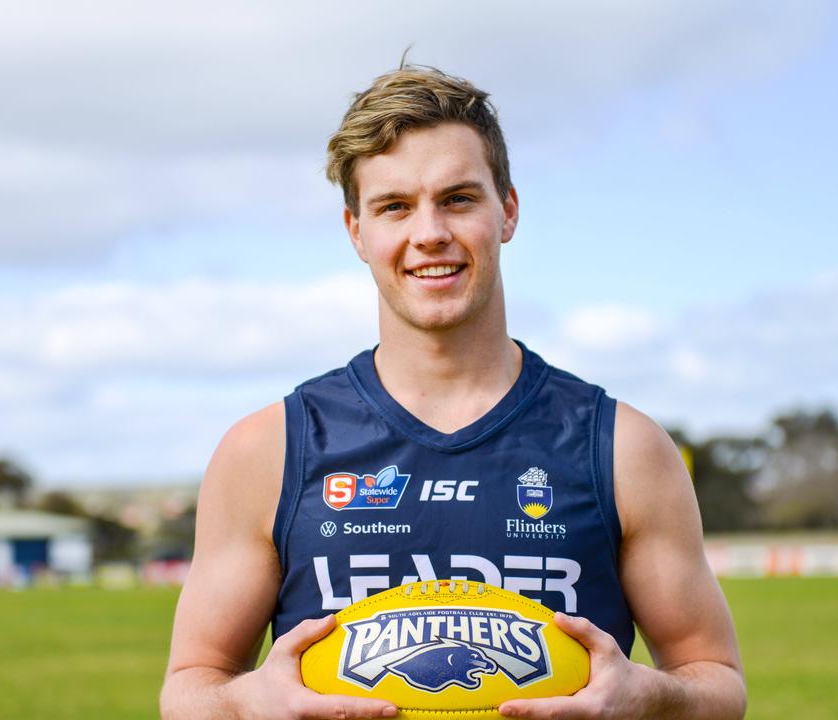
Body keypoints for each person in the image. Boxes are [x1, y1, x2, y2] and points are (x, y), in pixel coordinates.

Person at [160, 65, 745, 720]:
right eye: (395, 206)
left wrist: (650, 696)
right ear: (357, 232)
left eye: (459, 199)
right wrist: (243, 703)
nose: (430, 232)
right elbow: (189, 689)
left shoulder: (621, 449)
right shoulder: (267, 451)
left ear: (509, 211)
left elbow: (717, 681)